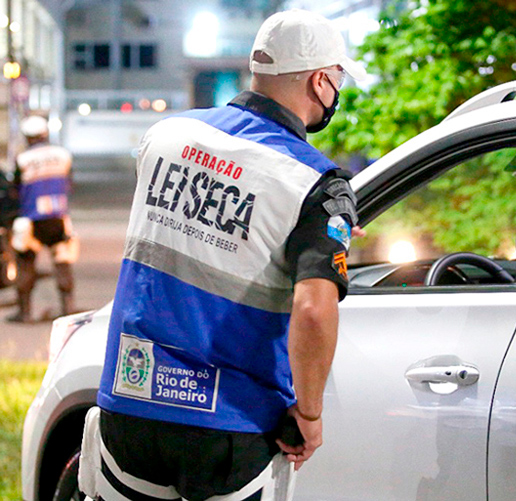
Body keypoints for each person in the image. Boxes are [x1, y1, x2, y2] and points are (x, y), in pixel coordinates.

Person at [83, 9, 367, 501]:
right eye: (337, 77)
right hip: (230, 427)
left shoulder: (167, 136)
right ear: (321, 81)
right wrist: (310, 415)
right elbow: (313, 309)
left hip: (130, 405)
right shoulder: (314, 184)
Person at [8, 115, 77, 323]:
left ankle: (25, 312)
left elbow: (16, 189)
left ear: (27, 137)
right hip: (58, 218)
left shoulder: (23, 159)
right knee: (62, 261)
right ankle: (68, 307)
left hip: (32, 220)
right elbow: (69, 182)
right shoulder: (63, 155)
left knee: (26, 262)